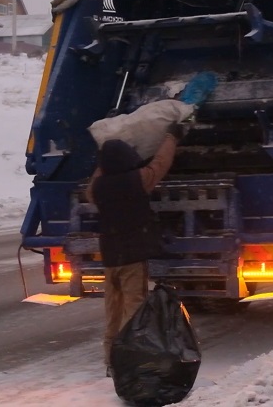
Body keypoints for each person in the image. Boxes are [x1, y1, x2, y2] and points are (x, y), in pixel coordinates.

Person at [88, 122, 186, 377]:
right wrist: (171, 137)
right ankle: (131, 359)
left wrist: (103, 159)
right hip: (132, 257)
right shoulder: (137, 180)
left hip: (110, 257)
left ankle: (111, 360)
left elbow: (97, 179)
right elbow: (160, 164)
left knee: (113, 310)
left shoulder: (98, 188)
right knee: (134, 310)